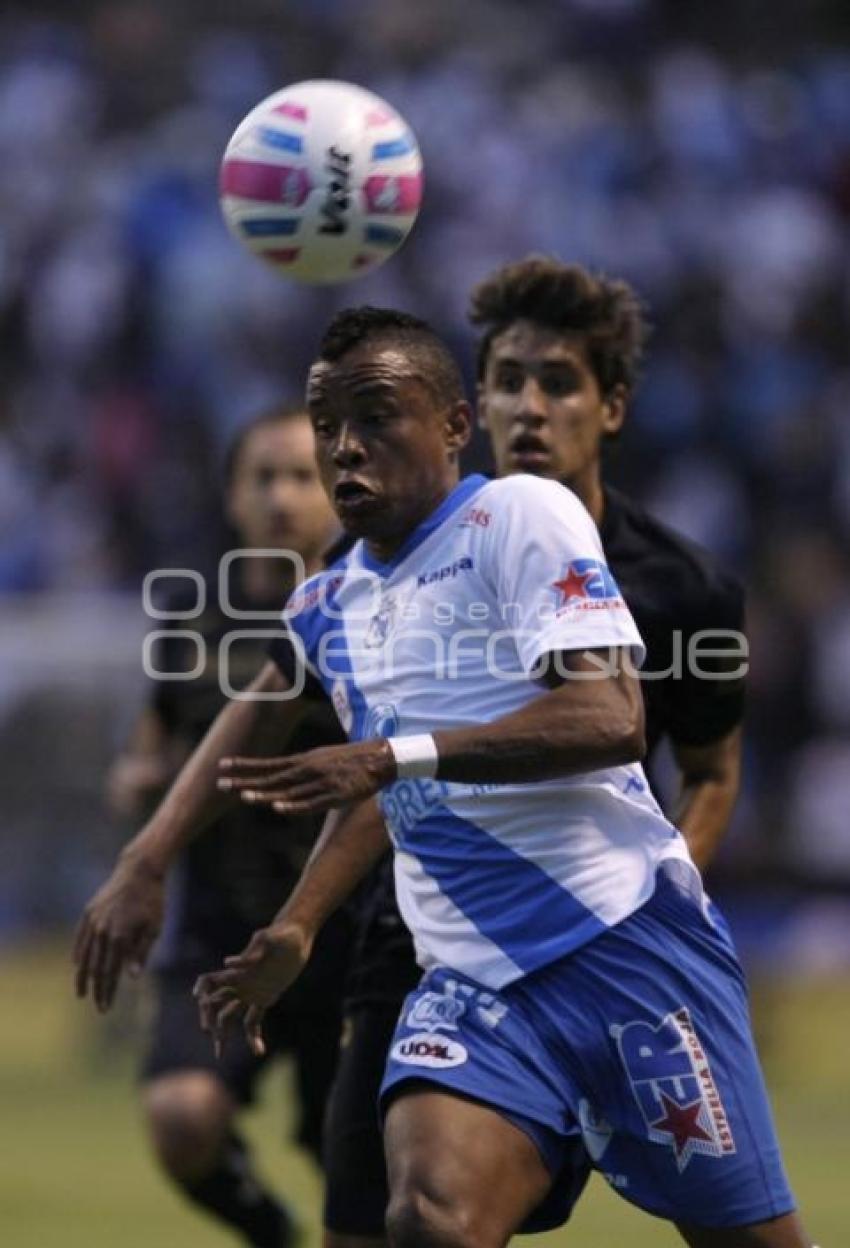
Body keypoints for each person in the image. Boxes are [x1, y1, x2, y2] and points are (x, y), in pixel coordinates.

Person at [195, 306, 813, 1247]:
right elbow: (383, 788)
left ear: (452, 425)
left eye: (374, 418)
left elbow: (612, 716)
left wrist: (393, 754)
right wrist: (297, 923)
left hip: (624, 952)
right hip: (472, 982)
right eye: (328, 428)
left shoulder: (518, 514)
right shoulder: (326, 604)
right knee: (430, 1215)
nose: (344, 450)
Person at [318, 258, 747, 1248]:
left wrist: (658, 910)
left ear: (613, 408)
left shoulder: (688, 591)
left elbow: (714, 772)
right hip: (421, 949)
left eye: (557, 382)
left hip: (612, 962)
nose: (528, 406)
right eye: (507, 380)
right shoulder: (393, 564)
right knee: (388, 1228)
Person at [76, 406, 350, 1248]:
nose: (281, 497)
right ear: (232, 497)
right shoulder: (196, 620)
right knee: (181, 1118)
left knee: (360, 1153)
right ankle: (270, 1229)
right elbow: (145, 749)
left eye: (302, 477)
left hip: (349, 926)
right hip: (220, 925)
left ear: (340, 493)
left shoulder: (371, 609)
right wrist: (137, 782)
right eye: (261, 477)